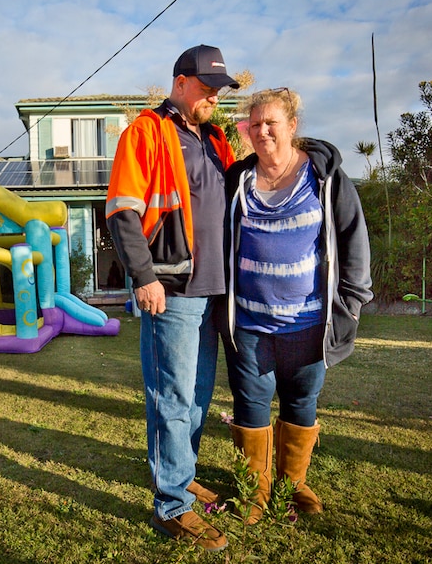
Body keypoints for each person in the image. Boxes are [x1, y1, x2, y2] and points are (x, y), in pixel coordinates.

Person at [106, 44, 239, 552]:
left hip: (213, 289)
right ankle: (172, 505)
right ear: (180, 83)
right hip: (170, 289)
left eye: (218, 91)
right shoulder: (146, 132)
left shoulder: (212, 137)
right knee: (172, 396)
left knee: (198, 396)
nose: (213, 98)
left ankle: (180, 478)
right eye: (206, 89)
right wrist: (144, 278)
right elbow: (122, 210)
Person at [221, 88, 373, 523]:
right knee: (251, 404)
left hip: (308, 324)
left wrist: (353, 301)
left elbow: (353, 239)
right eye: (256, 123)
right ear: (247, 131)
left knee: (300, 403)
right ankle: (254, 491)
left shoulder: (324, 178)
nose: (264, 130)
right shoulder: (237, 180)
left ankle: (292, 486)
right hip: (249, 322)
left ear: (292, 126)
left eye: (272, 122)